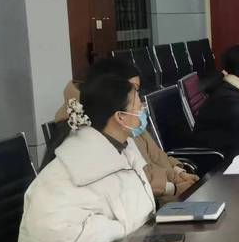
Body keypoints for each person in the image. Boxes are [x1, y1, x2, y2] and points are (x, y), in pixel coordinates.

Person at [17, 74, 156, 242]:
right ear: (120, 117)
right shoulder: (70, 169)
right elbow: (58, 240)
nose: (143, 110)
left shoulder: (123, 149)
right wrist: (120, 228)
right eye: (138, 106)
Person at [53, 57, 198, 201]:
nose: (140, 103)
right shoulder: (102, 132)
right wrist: (174, 188)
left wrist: (178, 173)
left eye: (137, 90)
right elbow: (136, 180)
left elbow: (154, 156)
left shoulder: (127, 124)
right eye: (133, 91)